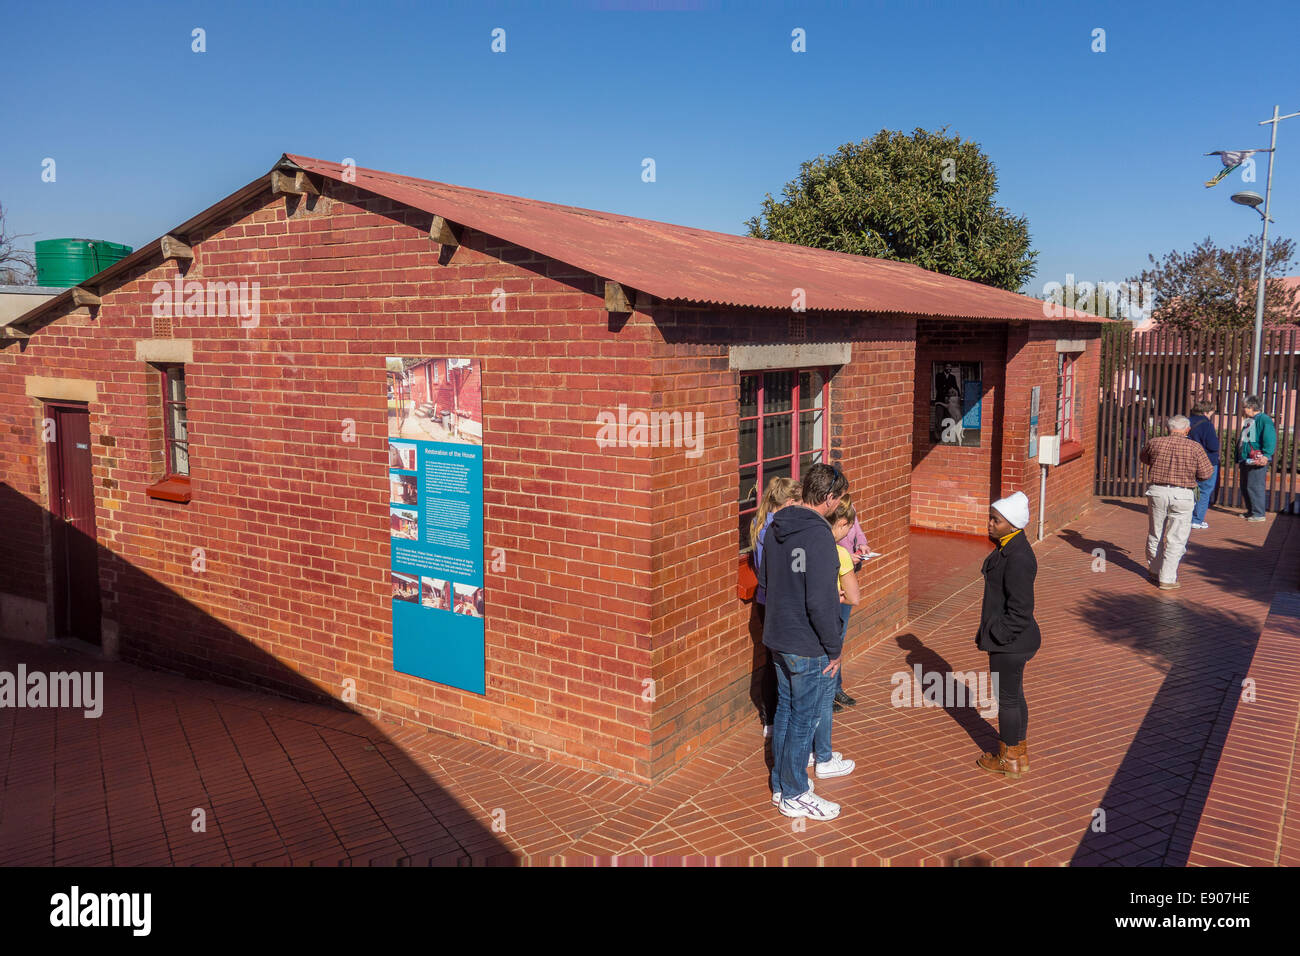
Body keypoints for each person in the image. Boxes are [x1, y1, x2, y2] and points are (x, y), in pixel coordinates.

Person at [757, 463, 846, 820]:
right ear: (826, 498)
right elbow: (820, 600)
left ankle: (781, 784)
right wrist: (834, 647)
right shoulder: (819, 536)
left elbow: (767, 580)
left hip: (777, 636)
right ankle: (795, 792)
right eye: (837, 500)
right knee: (801, 719)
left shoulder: (776, 526)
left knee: (785, 713)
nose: (838, 507)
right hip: (806, 643)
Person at [975, 491, 1040, 780]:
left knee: (1007, 700)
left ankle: (1009, 757)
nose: (989, 523)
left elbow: (1021, 609)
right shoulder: (1009, 545)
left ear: (1012, 524)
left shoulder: (1018, 557)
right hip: (1015, 640)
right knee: (1015, 695)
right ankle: (1019, 752)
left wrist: (997, 635)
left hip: (1012, 642)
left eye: (995, 520)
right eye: (990, 517)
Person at [807, 496, 859, 778]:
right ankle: (824, 756)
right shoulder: (836, 553)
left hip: (797, 633)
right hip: (825, 634)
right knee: (823, 695)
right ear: (840, 524)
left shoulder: (804, 544)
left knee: (800, 700)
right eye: (847, 528)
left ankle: (810, 752)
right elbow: (854, 597)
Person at [750, 477, 802, 733]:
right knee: (777, 662)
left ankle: (771, 716)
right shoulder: (776, 530)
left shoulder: (762, 524)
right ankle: (771, 717)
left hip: (765, 600)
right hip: (775, 601)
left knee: (773, 660)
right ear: (790, 502)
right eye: (799, 503)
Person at [1140, 415, 1213, 589]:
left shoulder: (1155, 442)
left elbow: (1144, 458)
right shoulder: (1195, 447)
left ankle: (1155, 569)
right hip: (1183, 494)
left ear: (1168, 428)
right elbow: (1206, 473)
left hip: (1157, 491)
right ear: (1187, 430)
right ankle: (1167, 577)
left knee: (1155, 532)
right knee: (1176, 538)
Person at [1237, 395, 1276, 523]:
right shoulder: (1250, 420)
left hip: (1257, 457)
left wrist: (1266, 455)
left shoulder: (1264, 419)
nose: (1243, 410)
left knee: (1255, 485)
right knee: (1245, 485)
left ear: (1252, 407)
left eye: (1244, 407)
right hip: (1246, 458)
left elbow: (1269, 438)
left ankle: (1259, 513)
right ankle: (1251, 510)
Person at [1187, 391, 1221, 530]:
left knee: (1190, 488)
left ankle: (1186, 516)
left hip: (1189, 460)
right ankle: (1197, 519)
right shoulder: (1206, 425)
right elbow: (1213, 445)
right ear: (1207, 411)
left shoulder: (1187, 422)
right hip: (1206, 461)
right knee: (1205, 489)